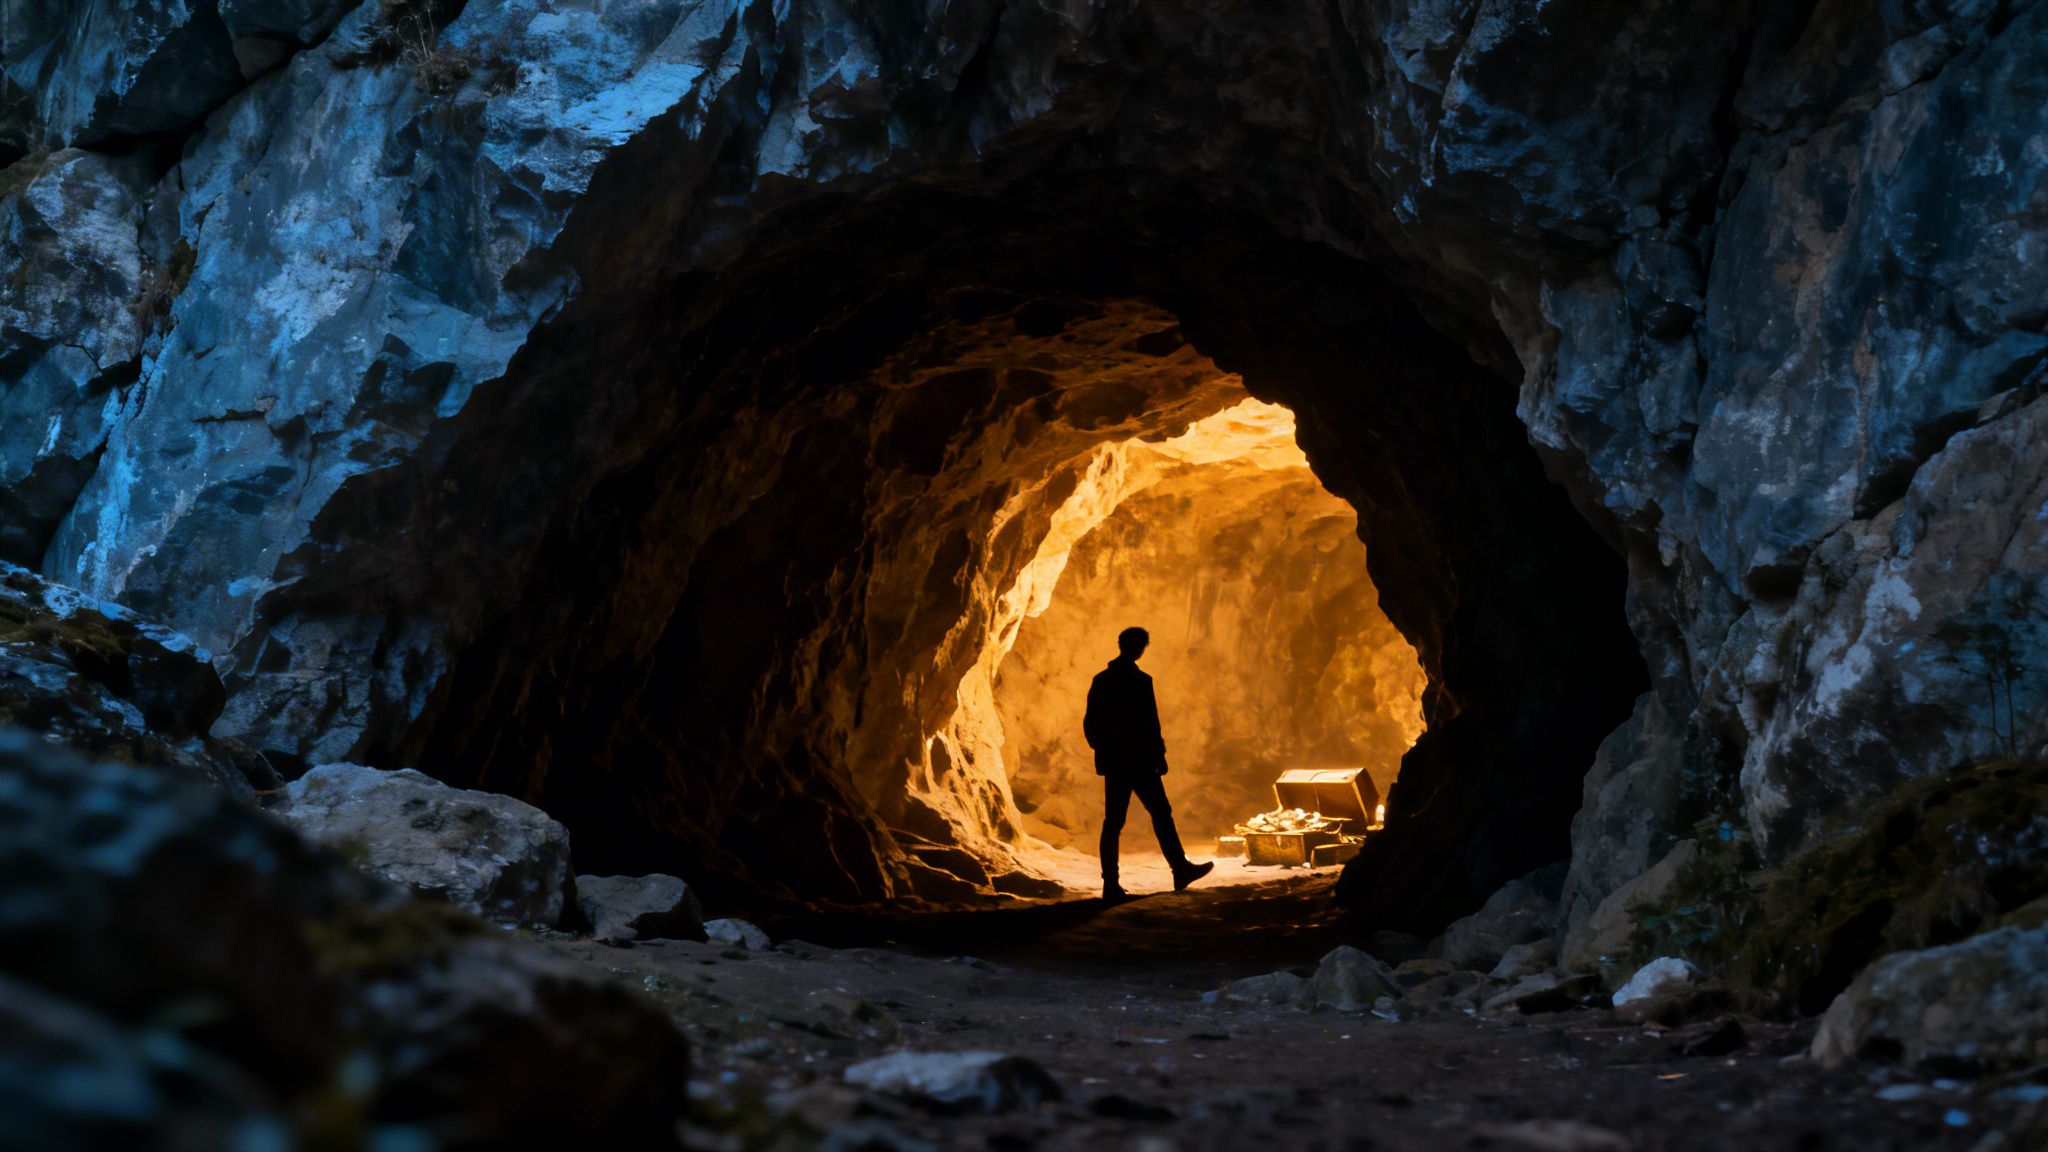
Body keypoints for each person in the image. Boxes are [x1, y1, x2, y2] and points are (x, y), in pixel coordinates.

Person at [1082, 626, 1214, 900]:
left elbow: (1091, 723)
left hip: (1121, 761)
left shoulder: (1103, 680)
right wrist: (1157, 755)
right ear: (1139, 648)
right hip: (1139, 761)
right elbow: (1149, 724)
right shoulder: (1141, 681)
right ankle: (1179, 868)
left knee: (1116, 821)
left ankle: (1112, 884)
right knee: (1159, 813)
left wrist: (1105, 749)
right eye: (1140, 645)